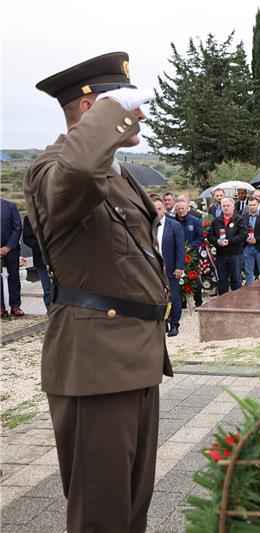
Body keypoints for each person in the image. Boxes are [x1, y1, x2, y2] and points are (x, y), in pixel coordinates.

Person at [23, 51, 172, 532]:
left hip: (135, 354)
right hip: (96, 362)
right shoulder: (53, 170)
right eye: (126, 104)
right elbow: (79, 171)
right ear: (91, 111)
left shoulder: (116, 172)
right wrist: (112, 112)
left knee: (131, 509)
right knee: (100, 515)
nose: (140, 114)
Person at [153, 198, 185, 336]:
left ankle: (174, 324)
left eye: (160, 208)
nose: (157, 211)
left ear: (164, 209)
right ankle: (162, 322)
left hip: (171, 267)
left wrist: (179, 266)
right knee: (157, 297)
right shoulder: (148, 225)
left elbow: (180, 248)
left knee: (174, 296)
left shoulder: (174, 225)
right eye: (154, 209)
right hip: (154, 268)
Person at [208, 197, 247, 294]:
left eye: (228, 206)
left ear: (233, 207)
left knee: (236, 280)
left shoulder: (239, 220)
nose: (225, 208)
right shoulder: (216, 221)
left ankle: (238, 303)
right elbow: (209, 235)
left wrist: (229, 241)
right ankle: (222, 303)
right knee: (222, 280)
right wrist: (216, 241)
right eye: (223, 206)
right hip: (221, 255)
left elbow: (243, 235)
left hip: (236, 255)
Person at [174, 198, 204, 308]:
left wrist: (190, 247)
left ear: (187, 209)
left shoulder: (195, 221)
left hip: (192, 254)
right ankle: (183, 302)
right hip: (177, 254)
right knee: (180, 277)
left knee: (194, 277)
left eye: (182, 208)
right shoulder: (173, 222)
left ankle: (198, 302)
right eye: (178, 209)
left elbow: (201, 237)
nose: (180, 210)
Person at [22, 215, 51, 313]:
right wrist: (43, 247)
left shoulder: (57, 212)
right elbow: (27, 239)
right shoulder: (29, 218)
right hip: (41, 260)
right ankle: (51, 314)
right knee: (48, 290)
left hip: (60, 258)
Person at [0, 198, 23, 318]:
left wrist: (7, 247)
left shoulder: (10, 206)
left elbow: (17, 228)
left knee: (14, 278)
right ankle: (1, 307)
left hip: (11, 249)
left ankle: (15, 306)